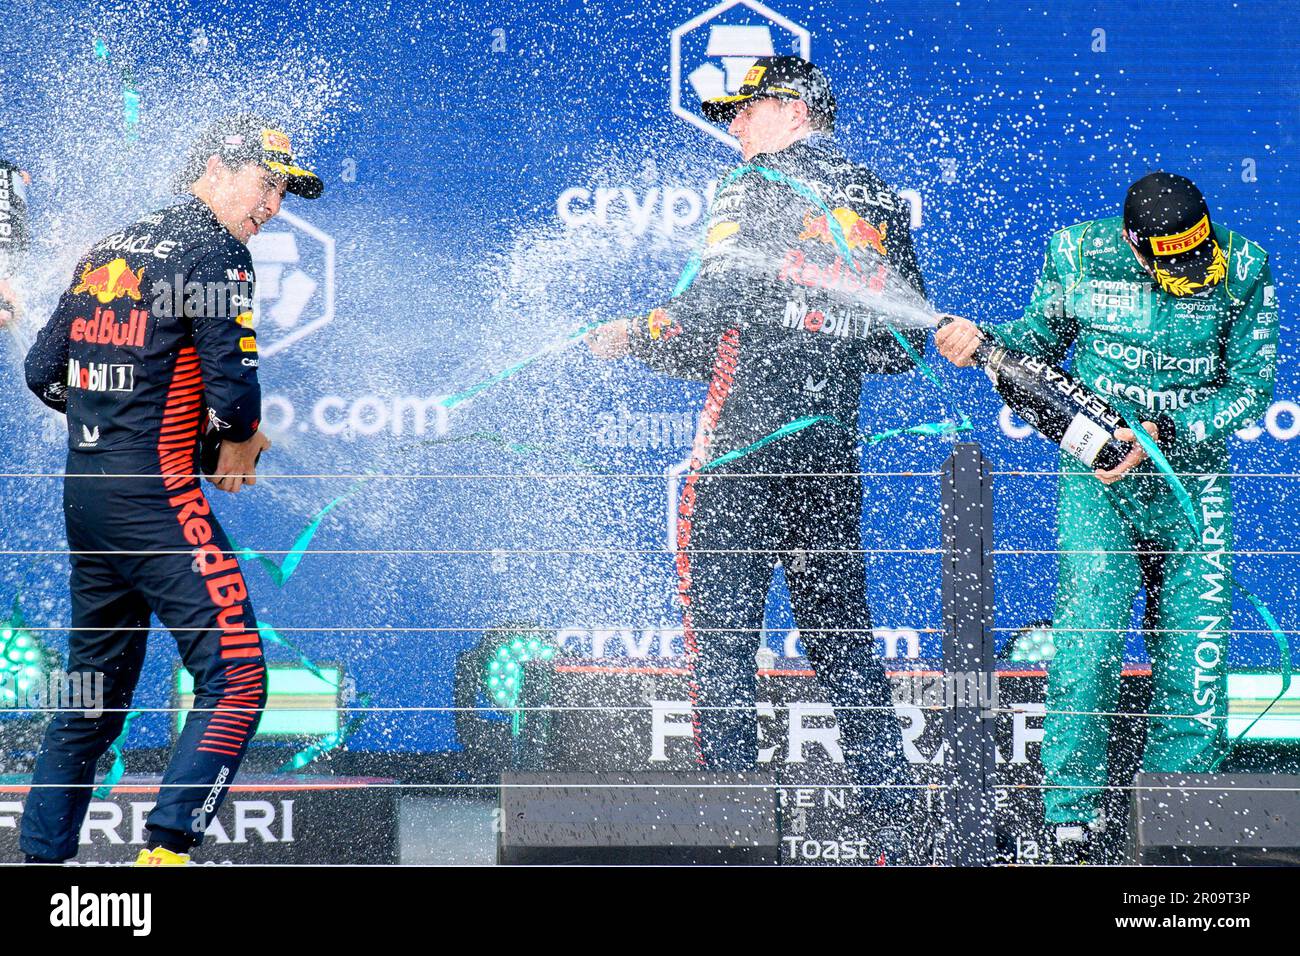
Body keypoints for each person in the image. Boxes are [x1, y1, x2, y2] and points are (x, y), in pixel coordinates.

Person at [586, 56, 930, 842]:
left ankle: (730, 827)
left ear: (794, 109)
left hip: (743, 448)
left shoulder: (754, 183)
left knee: (726, 643)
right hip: (828, 452)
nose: (733, 126)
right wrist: (824, 330)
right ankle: (897, 819)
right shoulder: (875, 193)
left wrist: (631, 336)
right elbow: (903, 348)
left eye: (744, 110)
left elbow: (713, 307)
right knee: (843, 640)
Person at [936, 171, 1278, 859]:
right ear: (1132, 242)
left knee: (1195, 655)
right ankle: (1070, 817)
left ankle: (1180, 812)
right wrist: (983, 341)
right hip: (1100, 479)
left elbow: (1252, 384)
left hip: (1193, 479)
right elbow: (1032, 341)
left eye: (1196, 251)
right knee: (1088, 644)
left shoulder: (1244, 266)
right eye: (1169, 256)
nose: (1188, 267)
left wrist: (1164, 433)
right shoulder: (1077, 254)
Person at [20, 115, 323, 865]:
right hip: (153, 500)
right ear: (216, 168)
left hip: (87, 500)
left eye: (286, 190)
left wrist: (135, 428)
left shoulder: (114, 243)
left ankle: (39, 865)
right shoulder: (217, 254)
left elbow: (41, 372)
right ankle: (165, 855)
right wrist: (230, 442)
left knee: (89, 703)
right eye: (267, 182)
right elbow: (236, 398)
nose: (275, 204)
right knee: (239, 679)